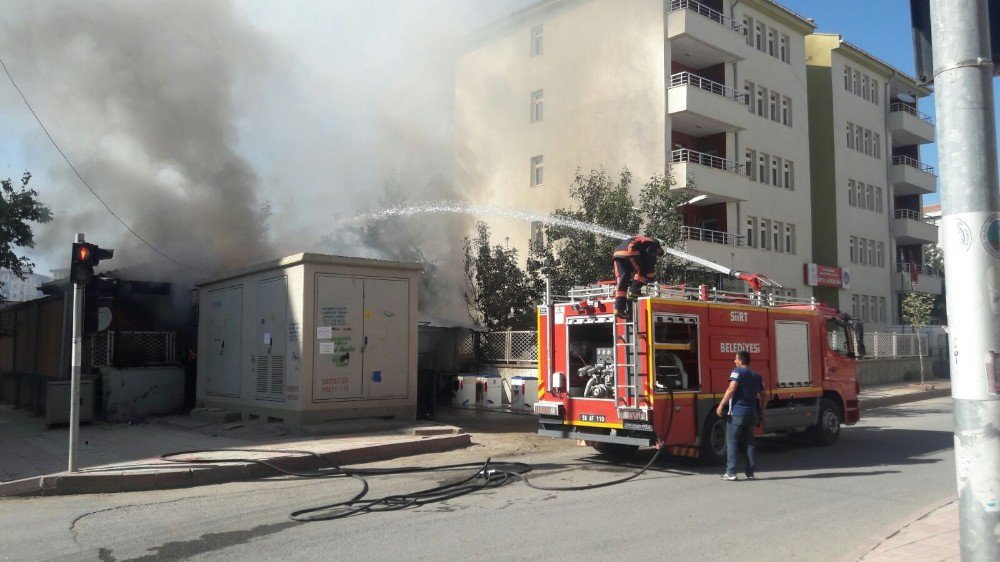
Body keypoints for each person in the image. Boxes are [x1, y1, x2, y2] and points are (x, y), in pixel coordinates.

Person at [716, 350, 767, 481]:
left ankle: (731, 472)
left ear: (740, 361)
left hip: (737, 414)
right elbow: (764, 395)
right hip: (752, 414)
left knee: (732, 443)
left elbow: (731, 389)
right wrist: (761, 412)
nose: (734, 361)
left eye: (735, 359)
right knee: (749, 443)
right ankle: (750, 473)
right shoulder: (757, 375)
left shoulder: (737, 371)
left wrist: (721, 404)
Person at [612, 235, 664, 319]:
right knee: (643, 271)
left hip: (617, 254)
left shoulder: (643, 241)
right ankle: (634, 291)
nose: (657, 254)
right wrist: (650, 275)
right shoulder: (652, 243)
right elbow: (650, 260)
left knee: (623, 280)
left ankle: (619, 309)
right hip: (630, 250)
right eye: (659, 252)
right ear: (660, 246)